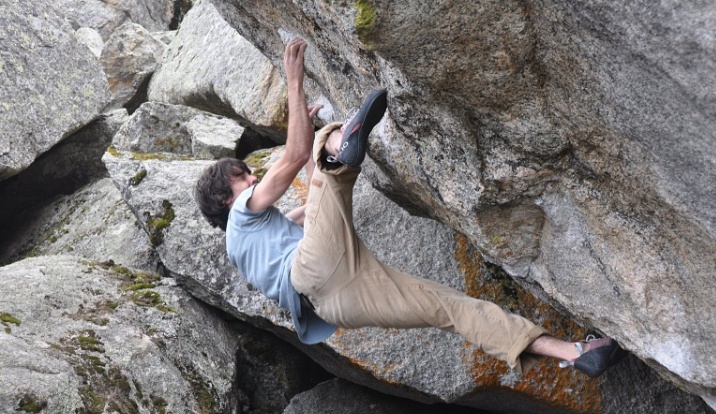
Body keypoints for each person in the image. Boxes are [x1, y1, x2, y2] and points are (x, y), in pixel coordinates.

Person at [195, 38, 625, 378]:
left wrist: (309, 147)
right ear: (224, 197)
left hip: (335, 303)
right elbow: (290, 162)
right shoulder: (242, 213)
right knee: (323, 154)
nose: (253, 179)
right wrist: (294, 83)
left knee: (452, 309)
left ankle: (577, 354)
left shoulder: (246, 247)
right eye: (243, 177)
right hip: (317, 269)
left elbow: (317, 208)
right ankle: (338, 139)